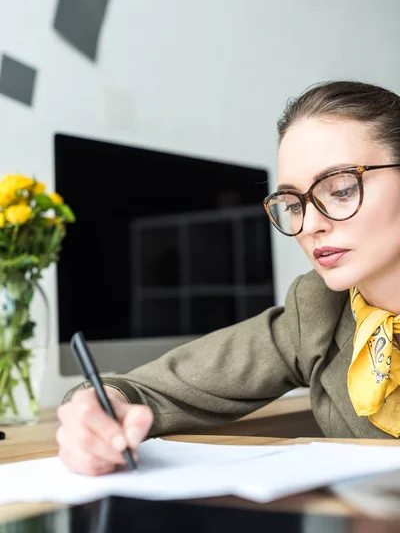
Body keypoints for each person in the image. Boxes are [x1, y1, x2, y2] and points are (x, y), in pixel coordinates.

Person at [58, 80, 400, 476]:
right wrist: (97, 409)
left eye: (340, 189)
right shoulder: (319, 309)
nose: (308, 224)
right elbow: (155, 387)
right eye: (292, 203)